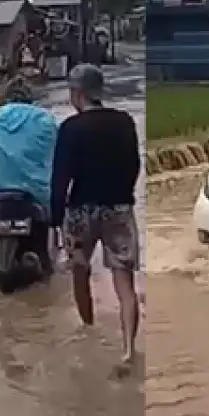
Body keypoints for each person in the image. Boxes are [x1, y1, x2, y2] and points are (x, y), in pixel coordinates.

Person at [51, 64, 141, 366]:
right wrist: (123, 194)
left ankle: (88, 330)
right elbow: (134, 166)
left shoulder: (70, 128)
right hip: (118, 207)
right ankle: (128, 349)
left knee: (80, 271)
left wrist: (54, 219)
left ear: (78, 94)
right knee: (125, 284)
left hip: (81, 211)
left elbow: (61, 179)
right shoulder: (125, 121)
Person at [0, 74, 59, 232]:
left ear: (6, 96)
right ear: (31, 97)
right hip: (37, 191)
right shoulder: (47, 119)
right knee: (52, 224)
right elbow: (58, 154)